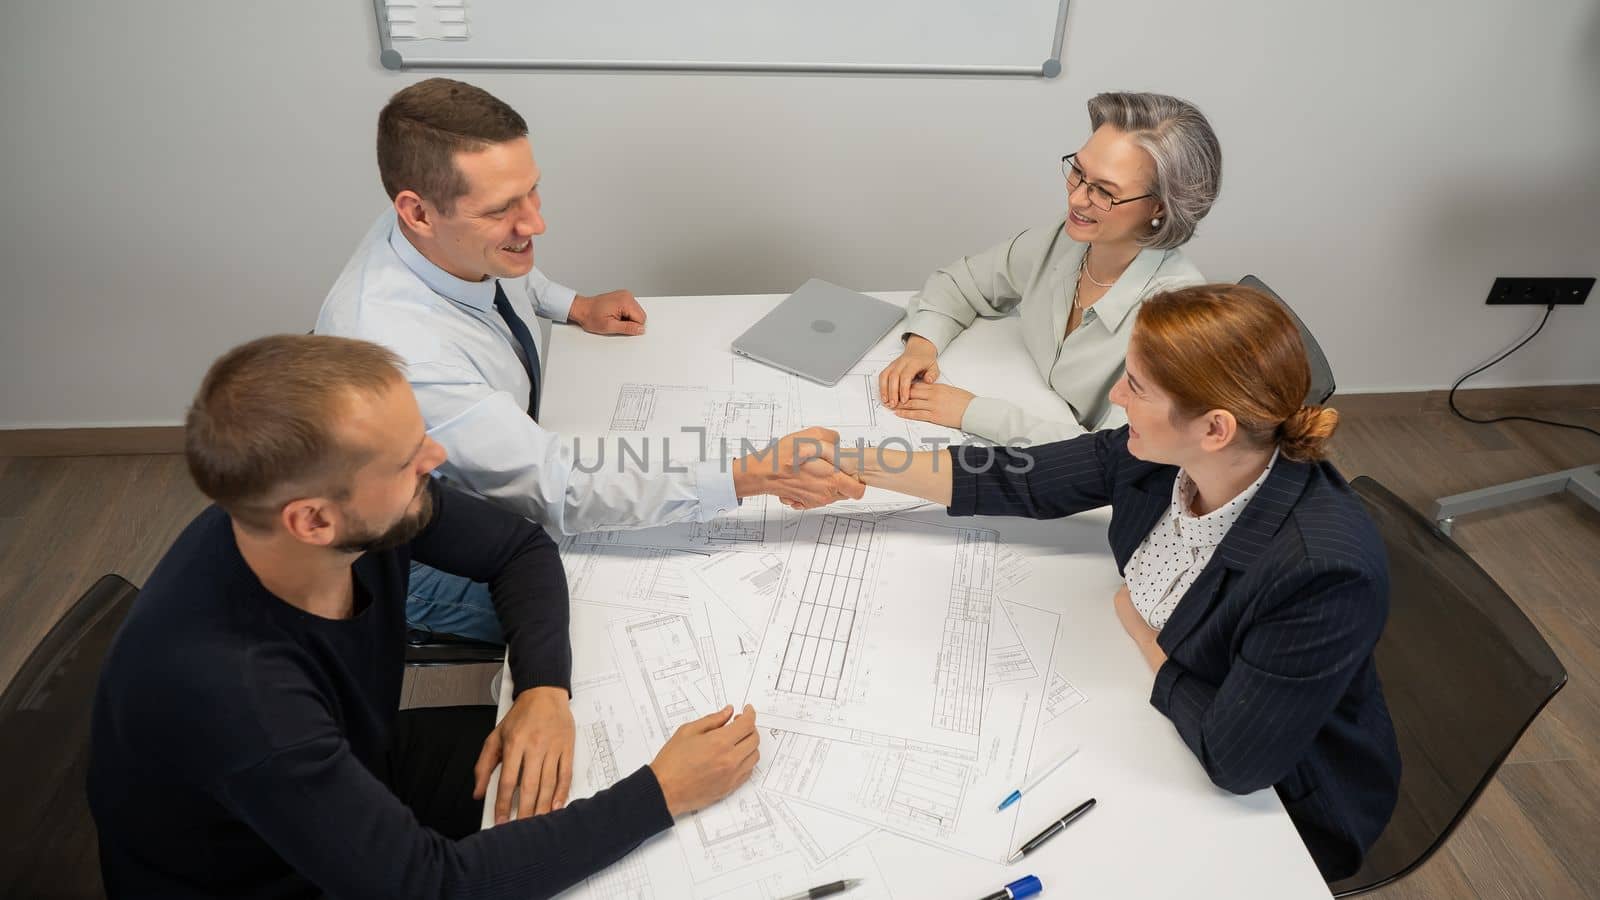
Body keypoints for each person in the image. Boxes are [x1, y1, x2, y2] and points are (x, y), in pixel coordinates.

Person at [88, 335, 761, 899]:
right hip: (272, 878)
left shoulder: (327, 522)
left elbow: (517, 547)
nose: (435, 461)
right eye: (410, 460)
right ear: (314, 519)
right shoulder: (242, 695)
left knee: (581, 755)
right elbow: (426, 888)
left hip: (362, 765)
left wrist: (542, 689)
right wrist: (661, 794)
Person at [848, 284, 1400, 880]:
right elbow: (1025, 478)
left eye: (1135, 386)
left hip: (1287, 808)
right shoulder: (1165, 451)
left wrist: (1145, 639)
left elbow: (1237, 761)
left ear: (1214, 428)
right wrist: (849, 462)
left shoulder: (1321, 572)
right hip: (1148, 714)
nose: (1115, 396)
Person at [317, 78, 861, 643]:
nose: (535, 223)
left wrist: (571, 304)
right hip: (424, 557)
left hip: (504, 476)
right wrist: (751, 474)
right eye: (503, 208)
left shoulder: (433, 233)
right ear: (418, 212)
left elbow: (495, 265)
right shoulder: (405, 354)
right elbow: (561, 490)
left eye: (533, 192)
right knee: (642, 617)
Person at [879, 91, 1222, 444]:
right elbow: (960, 283)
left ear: (1161, 208)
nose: (1076, 199)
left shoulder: (1179, 319)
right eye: (1078, 171)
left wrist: (972, 412)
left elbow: (1117, 453)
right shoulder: (1068, 239)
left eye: (1104, 191)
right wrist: (922, 346)